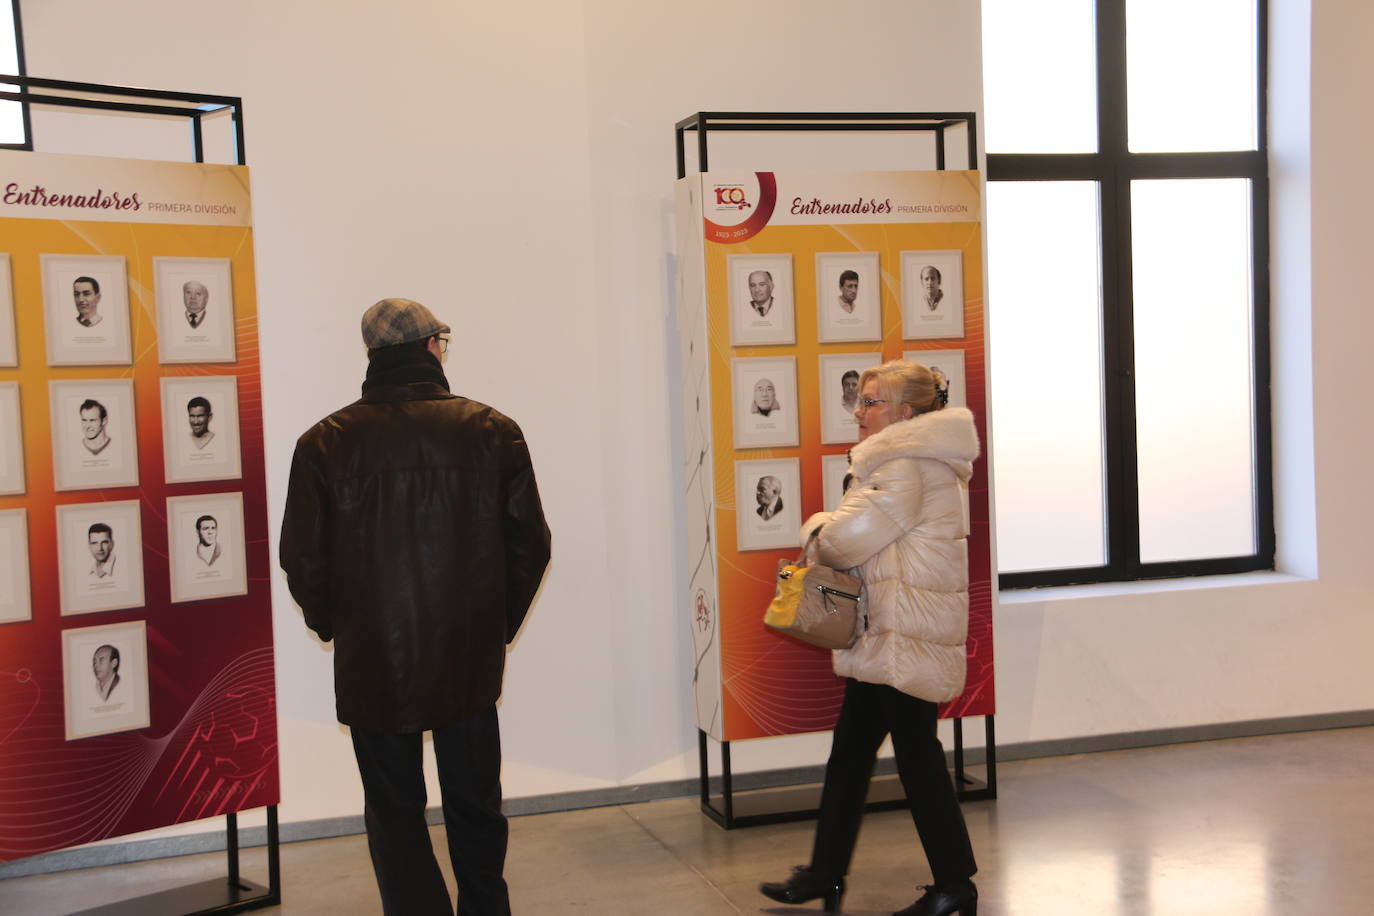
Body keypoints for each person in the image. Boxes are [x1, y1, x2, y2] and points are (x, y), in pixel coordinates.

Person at [280, 297, 551, 916]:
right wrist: (493, 627)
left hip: (374, 658)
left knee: (394, 811)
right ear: (432, 346)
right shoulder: (493, 430)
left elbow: (303, 562)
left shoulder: (323, 443)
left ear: (373, 355)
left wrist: (341, 628)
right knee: (477, 803)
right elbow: (531, 545)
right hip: (468, 655)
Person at [760, 359, 980, 916]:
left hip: (902, 633)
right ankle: (826, 873)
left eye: (871, 402)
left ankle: (955, 885)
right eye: (859, 400)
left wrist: (813, 524)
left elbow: (839, 544)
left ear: (905, 413)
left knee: (915, 758)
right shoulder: (911, 461)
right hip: (889, 631)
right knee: (854, 752)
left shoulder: (902, 465)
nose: (858, 412)